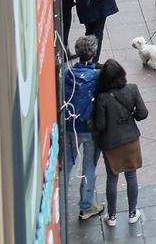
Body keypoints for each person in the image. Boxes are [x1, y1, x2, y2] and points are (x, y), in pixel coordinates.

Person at [89, 59, 148, 227]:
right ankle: (132, 212)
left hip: (111, 142)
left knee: (112, 179)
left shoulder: (102, 98)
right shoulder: (132, 89)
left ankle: (112, 216)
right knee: (131, 175)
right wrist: (133, 116)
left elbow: (100, 125)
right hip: (131, 139)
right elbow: (143, 113)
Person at [62, 35, 105, 220]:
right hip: (90, 129)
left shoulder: (67, 74)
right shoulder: (95, 76)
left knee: (66, 166)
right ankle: (86, 206)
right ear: (94, 54)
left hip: (70, 126)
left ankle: (57, 203)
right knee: (89, 166)